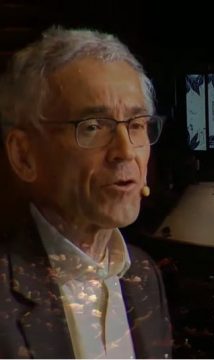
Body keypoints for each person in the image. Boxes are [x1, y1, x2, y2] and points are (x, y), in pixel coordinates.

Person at [0, 27, 171, 358]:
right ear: (25, 155)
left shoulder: (144, 275)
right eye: (93, 127)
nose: (125, 152)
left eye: (136, 125)